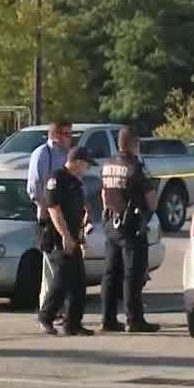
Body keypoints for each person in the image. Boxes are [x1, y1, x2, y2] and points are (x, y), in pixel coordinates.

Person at [99, 128, 161, 333]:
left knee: (110, 274)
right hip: (132, 226)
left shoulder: (108, 165)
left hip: (111, 223)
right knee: (132, 275)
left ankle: (107, 319)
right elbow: (152, 200)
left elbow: (103, 194)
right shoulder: (134, 167)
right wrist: (148, 212)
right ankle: (134, 320)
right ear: (135, 143)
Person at [38, 147, 95, 336]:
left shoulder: (75, 182)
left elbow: (80, 209)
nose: (87, 169)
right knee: (62, 280)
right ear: (78, 162)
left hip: (73, 238)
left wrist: (81, 233)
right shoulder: (56, 179)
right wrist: (65, 236)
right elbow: (54, 209)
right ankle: (46, 316)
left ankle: (73, 324)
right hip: (58, 239)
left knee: (78, 282)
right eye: (86, 164)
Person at [26, 120, 74, 310]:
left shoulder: (66, 156)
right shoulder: (42, 154)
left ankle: (58, 310)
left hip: (65, 216)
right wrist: (47, 208)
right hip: (49, 217)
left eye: (71, 135)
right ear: (56, 136)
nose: (70, 139)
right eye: (67, 134)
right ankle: (47, 312)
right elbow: (34, 187)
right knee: (51, 268)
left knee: (62, 268)